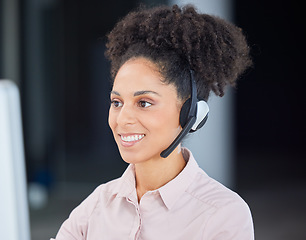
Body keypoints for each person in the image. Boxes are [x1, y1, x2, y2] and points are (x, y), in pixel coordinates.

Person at [52, 4, 254, 240]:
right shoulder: (95, 206)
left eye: (144, 102)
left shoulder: (223, 214)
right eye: (117, 102)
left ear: (190, 113)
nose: (123, 119)